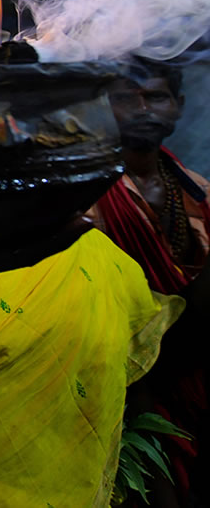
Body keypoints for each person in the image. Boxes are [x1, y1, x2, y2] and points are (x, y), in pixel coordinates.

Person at [86, 58, 210, 506]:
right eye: (124, 97)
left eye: (155, 96)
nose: (141, 108)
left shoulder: (199, 190)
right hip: (123, 376)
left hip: (191, 375)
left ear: (176, 106)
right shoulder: (83, 194)